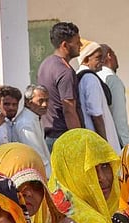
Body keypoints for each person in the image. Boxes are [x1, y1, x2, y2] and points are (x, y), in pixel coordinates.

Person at [38, 21, 82, 150]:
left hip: (49, 134)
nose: (80, 45)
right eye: (77, 41)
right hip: (63, 136)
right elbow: (69, 109)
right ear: (65, 45)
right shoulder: (65, 71)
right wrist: (78, 139)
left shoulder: (45, 64)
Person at [76, 42, 120, 154]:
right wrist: (104, 145)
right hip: (99, 141)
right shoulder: (90, 79)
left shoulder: (81, 76)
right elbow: (96, 115)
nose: (102, 61)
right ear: (86, 60)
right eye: (98, 58)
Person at [98, 44, 129, 149]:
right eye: (115, 54)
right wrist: (127, 145)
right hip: (113, 142)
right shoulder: (112, 80)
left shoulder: (93, 77)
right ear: (109, 55)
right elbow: (119, 118)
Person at [15, 84, 52, 177]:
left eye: (47, 100)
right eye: (41, 101)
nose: (45, 105)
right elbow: (37, 155)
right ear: (28, 102)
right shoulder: (26, 123)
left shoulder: (34, 118)